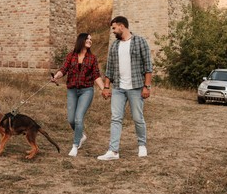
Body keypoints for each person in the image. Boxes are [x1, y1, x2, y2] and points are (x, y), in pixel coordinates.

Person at [98, 16, 152, 160]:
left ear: (122, 26)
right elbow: (109, 69)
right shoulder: (114, 46)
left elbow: (148, 66)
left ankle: (142, 145)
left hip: (136, 87)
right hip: (119, 88)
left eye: (114, 28)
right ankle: (113, 151)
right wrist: (106, 87)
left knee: (138, 118)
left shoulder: (140, 42)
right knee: (116, 118)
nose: (113, 31)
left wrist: (147, 86)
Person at [52, 33, 104, 157]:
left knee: (78, 118)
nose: (90, 41)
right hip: (72, 90)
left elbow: (96, 75)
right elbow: (63, 69)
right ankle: (81, 135)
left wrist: (104, 88)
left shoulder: (92, 58)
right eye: (87, 39)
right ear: (81, 40)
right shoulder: (71, 55)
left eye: (91, 39)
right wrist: (56, 76)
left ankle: (75, 146)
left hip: (86, 90)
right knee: (71, 119)